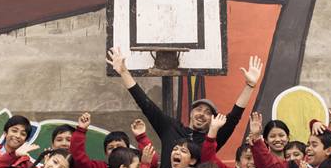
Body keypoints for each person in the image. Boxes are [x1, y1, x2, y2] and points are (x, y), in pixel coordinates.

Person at [106, 47, 262, 158]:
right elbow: (146, 104)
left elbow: (235, 116)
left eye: (208, 113)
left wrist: (250, 85)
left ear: (212, 120)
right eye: (199, 109)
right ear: (191, 113)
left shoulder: (213, 138)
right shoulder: (170, 128)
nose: (202, 114)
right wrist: (124, 73)